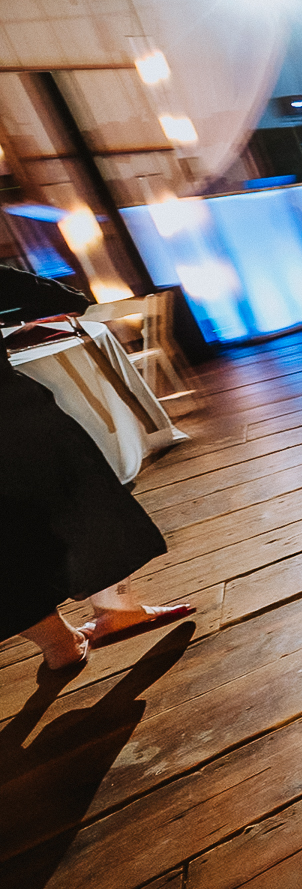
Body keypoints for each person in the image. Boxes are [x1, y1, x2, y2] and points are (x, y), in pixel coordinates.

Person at [2, 265, 192, 673]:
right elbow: (62, 299)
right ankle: (115, 609)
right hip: (9, 419)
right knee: (80, 497)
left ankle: (60, 645)